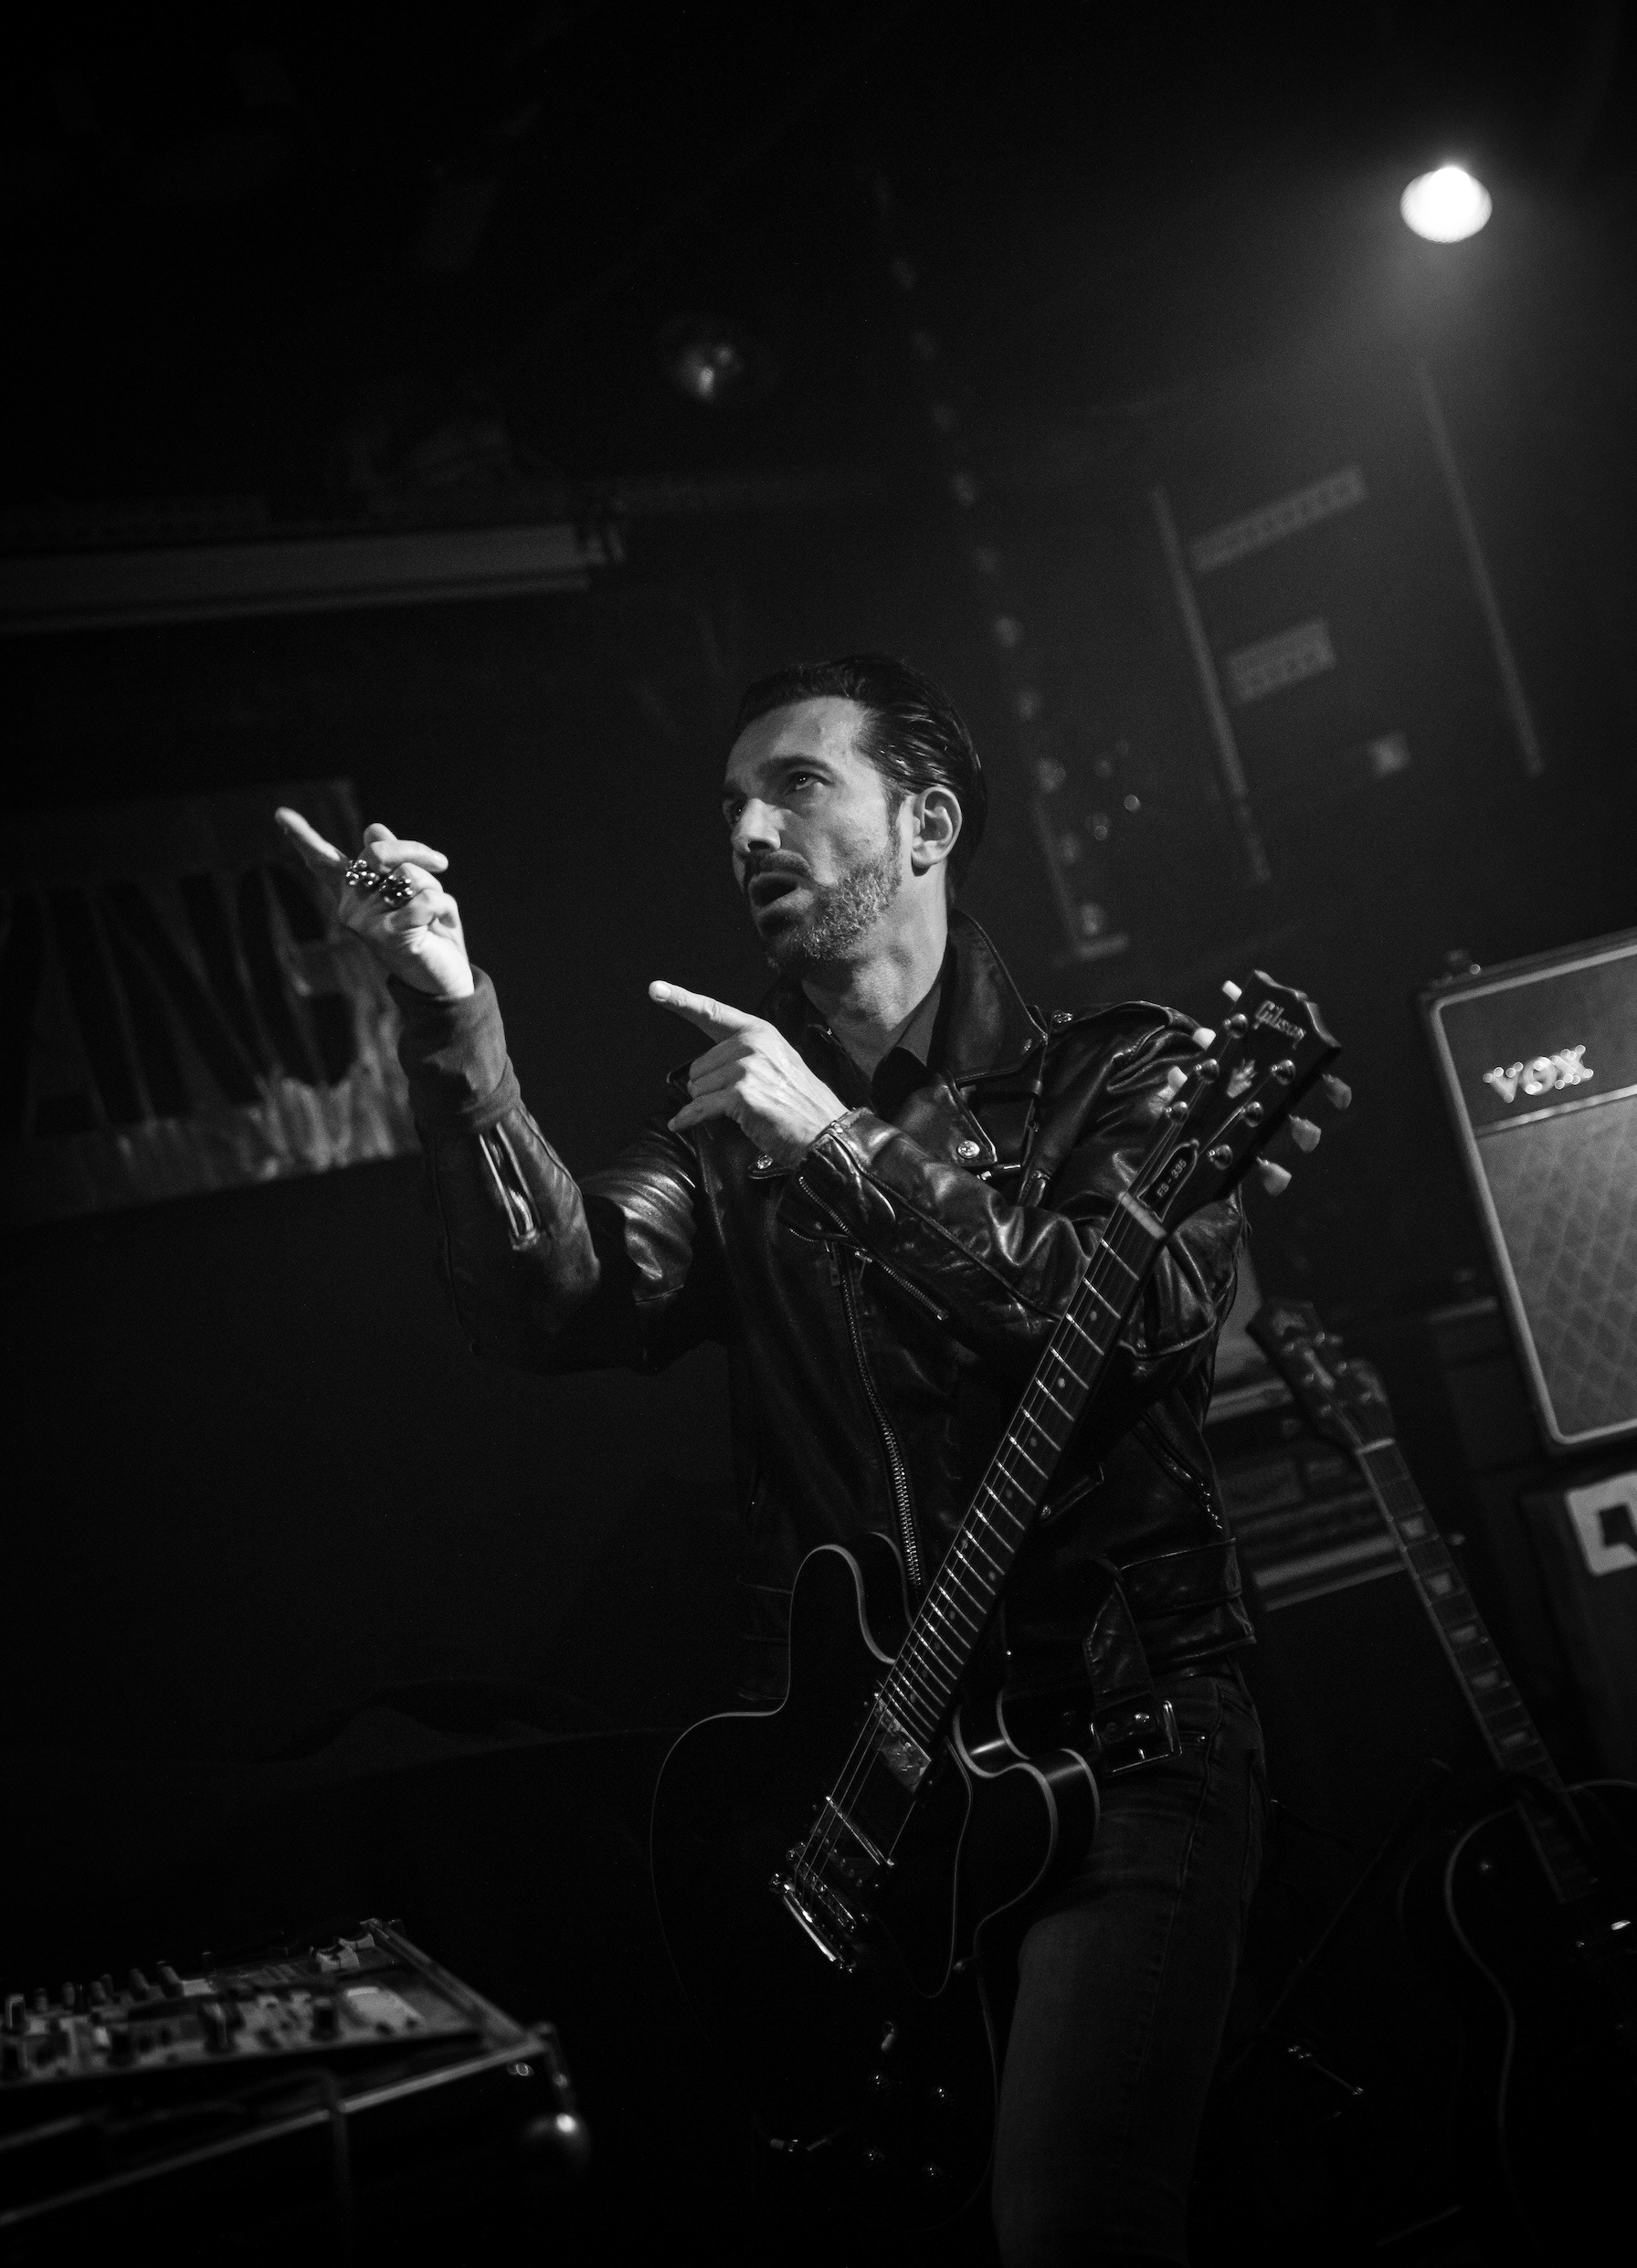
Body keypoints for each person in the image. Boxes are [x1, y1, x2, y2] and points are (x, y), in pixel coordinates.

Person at [277, 652, 1265, 2268]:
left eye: (797, 786)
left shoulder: (1122, 1074)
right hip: (881, 1779)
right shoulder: (728, 1137)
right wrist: (450, 1009)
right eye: (731, 805)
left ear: (928, 823)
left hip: (1123, 1733)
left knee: (1073, 2218)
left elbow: (1114, 1317)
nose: (747, 831)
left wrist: (841, 1148)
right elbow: (551, 1300)